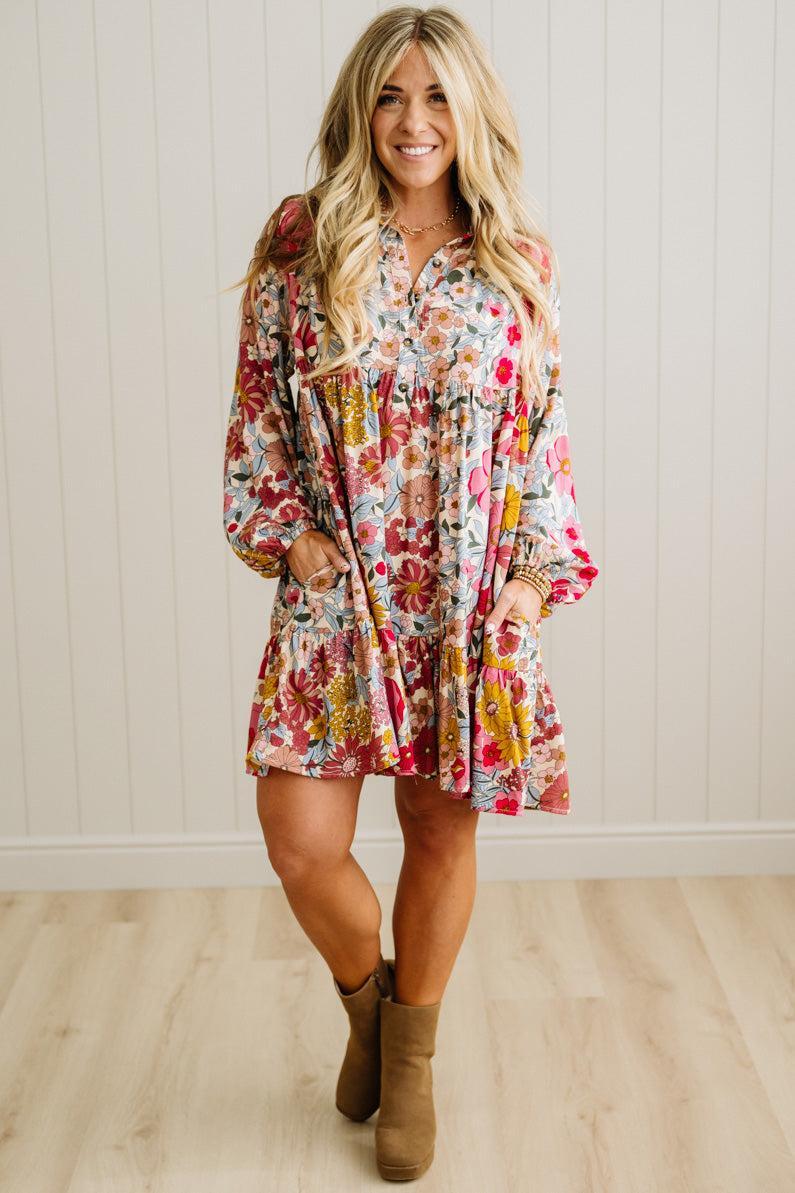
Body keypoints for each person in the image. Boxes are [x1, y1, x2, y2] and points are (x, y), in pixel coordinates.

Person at [222, 5, 599, 1181]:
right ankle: (371, 1010)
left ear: (471, 111)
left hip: (466, 604)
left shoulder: (516, 260)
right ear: (360, 110)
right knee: (300, 836)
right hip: (341, 590)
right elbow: (258, 415)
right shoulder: (302, 240)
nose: (413, 121)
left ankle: (415, 1060)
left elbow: (544, 441)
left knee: (438, 827)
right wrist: (287, 541)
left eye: (437, 97)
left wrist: (530, 586)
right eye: (391, 96)